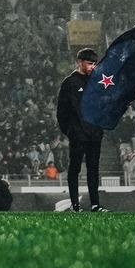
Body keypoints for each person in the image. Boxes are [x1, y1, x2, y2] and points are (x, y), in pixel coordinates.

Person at [54, 48, 104, 211]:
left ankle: (95, 204)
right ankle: (75, 205)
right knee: (75, 168)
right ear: (79, 62)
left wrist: (99, 127)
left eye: (94, 64)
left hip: (94, 133)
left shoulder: (96, 81)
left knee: (93, 169)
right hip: (78, 133)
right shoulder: (69, 82)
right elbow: (61, 111)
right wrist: (71, 131)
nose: (92, 67)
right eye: (89, 63)